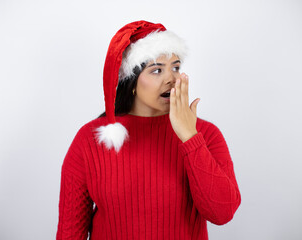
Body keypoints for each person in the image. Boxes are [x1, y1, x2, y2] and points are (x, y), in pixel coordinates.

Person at [56, 20, 241, 240]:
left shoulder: (205, 134)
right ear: (132, 81)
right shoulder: (91, 139)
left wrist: (190, 138)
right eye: (156, 70)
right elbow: (69, 233)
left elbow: (223, 213)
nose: (172, 79)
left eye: (176, 67)